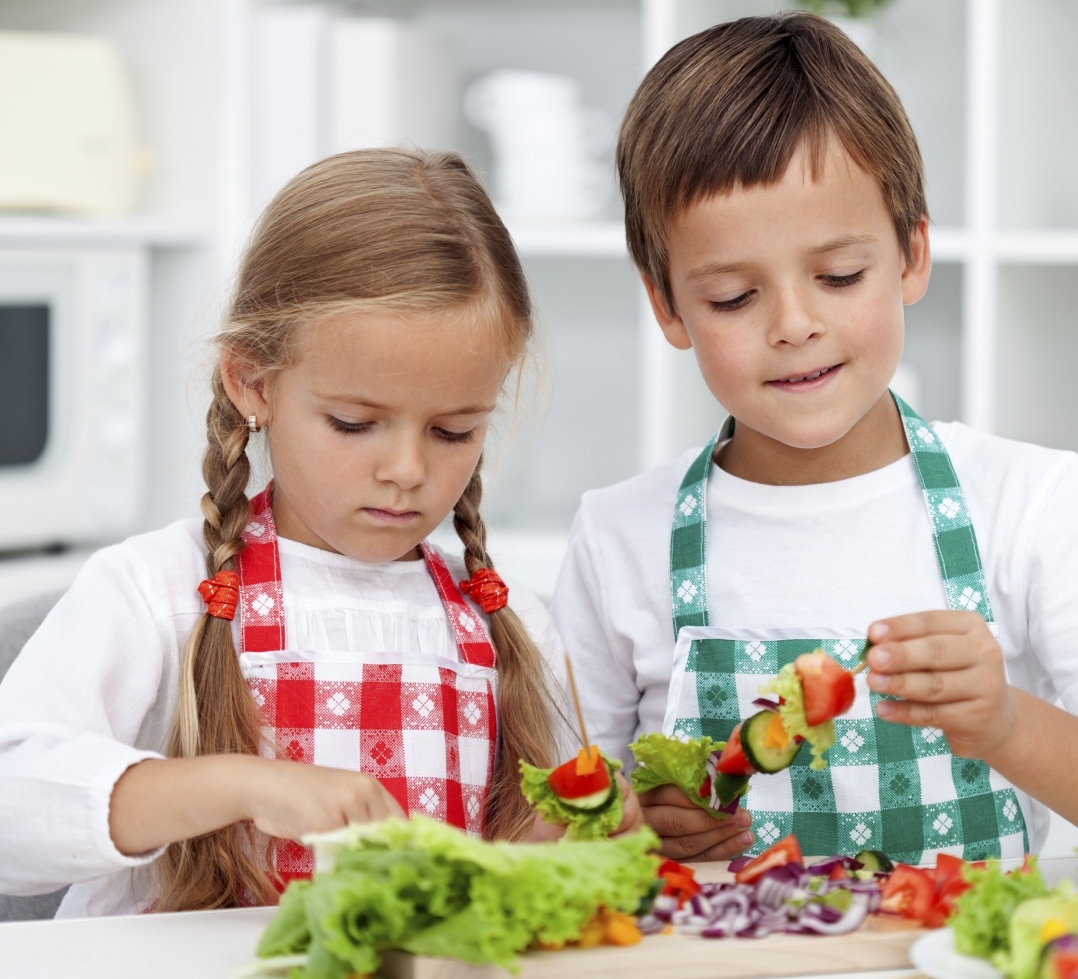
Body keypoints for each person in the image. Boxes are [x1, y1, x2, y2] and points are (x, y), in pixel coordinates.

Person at [553, 13, 1078, 865]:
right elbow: (554, 822)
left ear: (913, 255)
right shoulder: (620, 535)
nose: (795, 325)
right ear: (667, 305)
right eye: (733, 296)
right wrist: (636, 827)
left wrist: (1010, 723)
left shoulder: (1029, 503)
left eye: (840, 276)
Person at [0, 149, 638, 917]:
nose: (406, 469)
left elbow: (545, 861)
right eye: (354, 423)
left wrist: (579, 840)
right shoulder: (156, 591)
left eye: (453, 430)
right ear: (253, 384)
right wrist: (237, 785)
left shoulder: (509, 623)